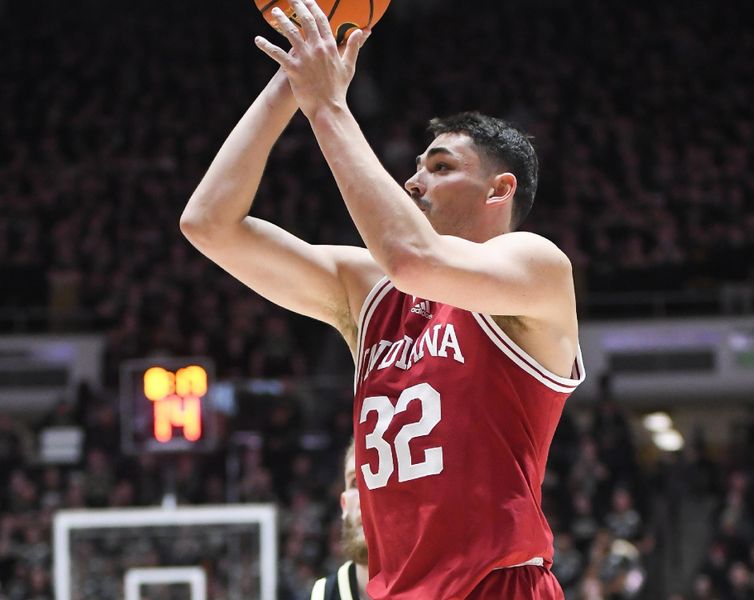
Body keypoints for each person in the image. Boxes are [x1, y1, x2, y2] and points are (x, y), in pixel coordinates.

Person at [180, 0, 584, 597]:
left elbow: (416, 260)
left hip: (498, 585)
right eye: (415, 166)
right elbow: (209, 223)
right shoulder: (369, 290)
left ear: (500, 190)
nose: (413, 180)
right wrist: (299, 72)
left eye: (441, 166)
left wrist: (326, 104)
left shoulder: (537, 267)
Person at [311, 441, 370, 600]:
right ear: (344, 504)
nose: (364, 499)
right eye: (355, 483)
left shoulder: (435, 587)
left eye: (374, 478)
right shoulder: (324, 594)